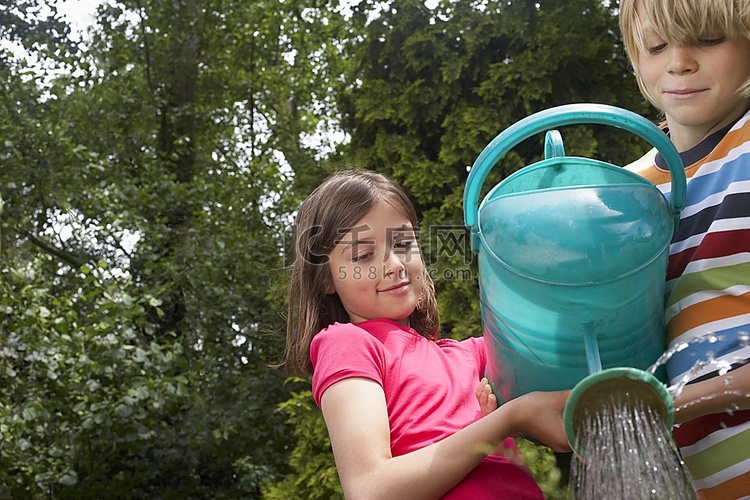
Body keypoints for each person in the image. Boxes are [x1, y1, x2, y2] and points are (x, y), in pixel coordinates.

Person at [283, 169, 570, 499]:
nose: (394, 264)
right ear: (325, 279)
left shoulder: (471, 356)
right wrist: (507, 419)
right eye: (363, 255)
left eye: (404, 243)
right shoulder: (349, 344)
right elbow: (370, 489)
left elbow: (561, 345)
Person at [620, 0, 750, 497]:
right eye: (656, 46)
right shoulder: (624, 192)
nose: (678, 62)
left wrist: (670, 402)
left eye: (709, 39)